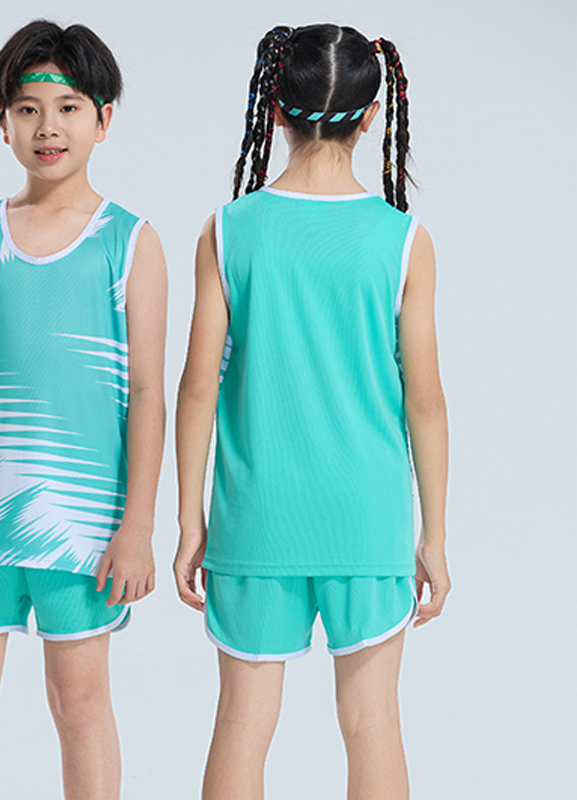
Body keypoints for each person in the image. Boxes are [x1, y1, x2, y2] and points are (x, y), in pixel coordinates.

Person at [174, 23, 450, 800]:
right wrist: (433, 535)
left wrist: (190, 521)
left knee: (241, 724)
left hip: (255, 518)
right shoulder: (404, 240)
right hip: (367, 520)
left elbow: (196, 388)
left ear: (275, 109)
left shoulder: (228, 231)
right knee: (373, 724)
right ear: (372, 116)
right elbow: (426, 403)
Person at [0, 19, 167, 800]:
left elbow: (148, 394)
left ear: (103, 119)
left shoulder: (130, 243)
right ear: (3, 122)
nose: (48, 127)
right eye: (28, 109)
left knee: (81, 705)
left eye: (68, 107)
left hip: (84, 533)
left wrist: (138, 526)